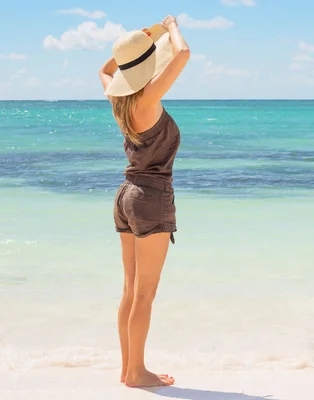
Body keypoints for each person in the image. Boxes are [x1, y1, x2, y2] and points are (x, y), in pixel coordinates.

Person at [98, 15, 190, 388]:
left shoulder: (118, 99)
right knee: (144, 295)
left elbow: (104, 69)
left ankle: (128, 368)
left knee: (130, 290)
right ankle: (136, 372)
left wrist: (147, 37)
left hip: (126, 196)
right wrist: (168, 28)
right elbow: (182, 54)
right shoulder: (147, 99)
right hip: (150, 199)